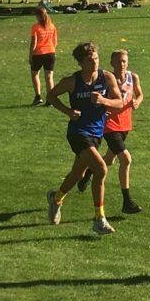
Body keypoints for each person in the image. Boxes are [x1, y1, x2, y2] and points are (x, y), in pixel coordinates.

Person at [46, 42, 124, 235]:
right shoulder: (72, 82)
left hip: (96, 134)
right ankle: (99, 219)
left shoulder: (107, 77)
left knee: (78, 174)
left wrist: (104, 101)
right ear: (81, 63)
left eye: (96, 58)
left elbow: (120, 102)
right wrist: (68, 111)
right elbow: (51, 96)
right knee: (100, 168)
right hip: (77, 133)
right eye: (90, 60)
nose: (95, 62)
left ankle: (56, 198)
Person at [77, 49, 143, 214]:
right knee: (126, 159)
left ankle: (88, 173)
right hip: (109, 125)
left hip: (125, 124)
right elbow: (96, 98)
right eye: (119, 61)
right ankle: (127, 201)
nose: (122, 64)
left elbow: (140, 94)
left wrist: (137, 101)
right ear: (112, 63)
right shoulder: (107, 80)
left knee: (110, 159)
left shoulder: (132, 77)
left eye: (124, 61)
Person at [29, 6, 58, 105]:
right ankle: (51, 99)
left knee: (35, 74)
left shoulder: (35, 27)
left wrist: (30, 55)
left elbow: (34, 42)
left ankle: (38, 96)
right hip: (50, 53)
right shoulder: (52, 26)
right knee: (49, 77)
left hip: (38, 53)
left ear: (38, 16)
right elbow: (55, 41)